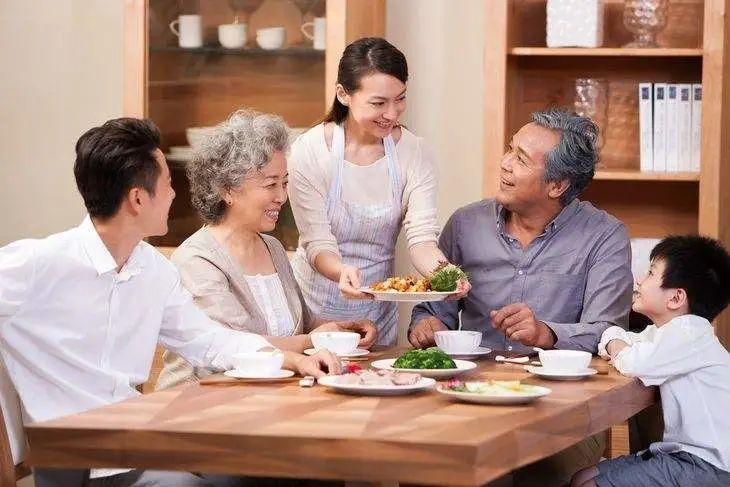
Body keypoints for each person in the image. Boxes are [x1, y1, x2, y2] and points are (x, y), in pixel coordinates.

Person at [0, 117, 341, 487]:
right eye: (166, 185)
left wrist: (289, 358)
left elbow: (208, 340)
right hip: (72, 459)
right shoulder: (41, 264)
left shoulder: (153, 271)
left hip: (134, 445)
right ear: (137, 198)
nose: (175, 195)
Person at [409, 108, 634, 486]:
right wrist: (426, 325)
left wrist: (545, 333)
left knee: (529, 469)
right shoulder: (466, 224)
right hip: (468, 394)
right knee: (428, 463)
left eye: (521, 159)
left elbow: (609, 333)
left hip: (562, 407)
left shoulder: (605, 236)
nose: (504, 164)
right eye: (509, 149)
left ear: (557, 185)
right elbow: (435, 305)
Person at [156, 110, 377, 389]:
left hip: (268, 397)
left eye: (284, 183)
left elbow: (303, 324)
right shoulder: (196, 260)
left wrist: (344, 329)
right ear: (228, 190)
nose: (281, 197)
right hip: (199, 404)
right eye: (271, 184)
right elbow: (233, 347)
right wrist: (314, 342)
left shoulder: (272, 248)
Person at [288, 37, 469, 346]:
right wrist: (341, 271)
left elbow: (421, 240)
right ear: (344, 94)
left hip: (377, 314)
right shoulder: (310, 151)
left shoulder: (415, 153)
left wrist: (447, 274)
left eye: (400, 99)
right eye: (378, 103)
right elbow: (317, 242)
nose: (393, 113)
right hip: (313, 311)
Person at [572, 235, 730, 487]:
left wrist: (614, 341)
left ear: (676, 298)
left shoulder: (688, 331)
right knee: (584, 477)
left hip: (708, 466)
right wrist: (615, 341)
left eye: (650, 273)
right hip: (681, 454)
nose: (639, 280)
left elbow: (632, 361)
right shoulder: (664, 332)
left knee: (589, 485)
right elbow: (617, 343)